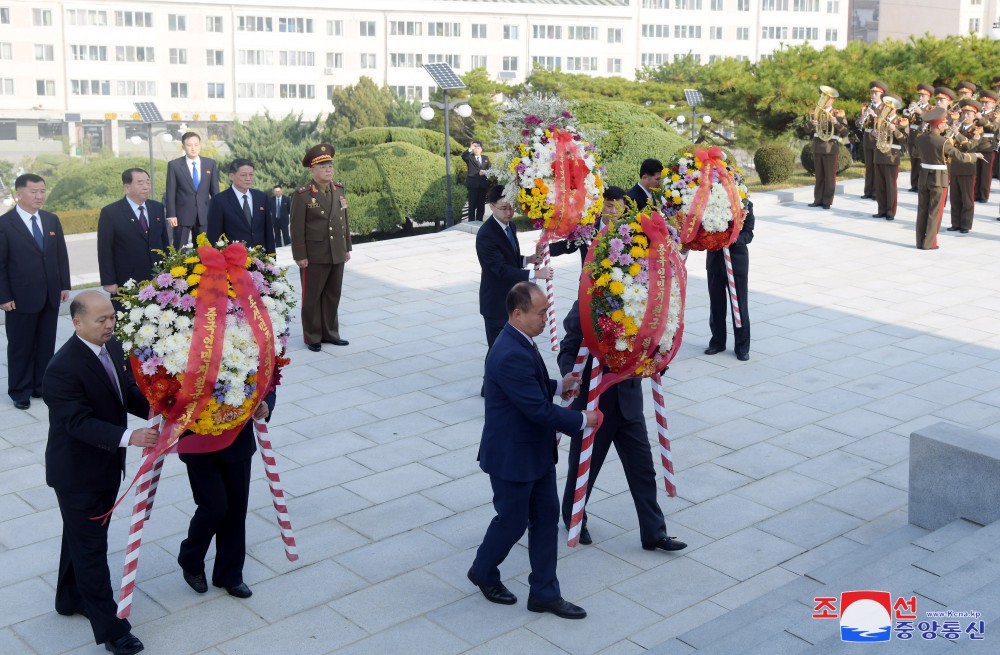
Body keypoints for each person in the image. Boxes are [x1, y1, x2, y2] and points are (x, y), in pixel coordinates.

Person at [469, 282, 597, 620]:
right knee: (511, 523)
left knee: (544, 520)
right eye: (540, 313)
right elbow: (538, 411)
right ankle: (483, 570)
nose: (546, 318)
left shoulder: (520, 340)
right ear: (517, 314)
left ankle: (544, 592)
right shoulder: (509, 352)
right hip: (512, 458)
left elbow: (531, 385)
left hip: (536, 453)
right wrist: (583, 418)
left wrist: (559, 384)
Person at [43, 291, 158, 655]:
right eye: (101, 320)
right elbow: (78, 423)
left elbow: (124, 392)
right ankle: (112, 631)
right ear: (77, 323)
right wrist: (130, 437)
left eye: (112, 317)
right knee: (92, 548)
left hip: (106, 467)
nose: (110, 324)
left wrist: (161, 410)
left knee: (79, 537)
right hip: (78, 475)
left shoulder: (112, 347)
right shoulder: (62, 368)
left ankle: (68, 598)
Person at [558, 299, 686, 552]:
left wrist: (658, 360)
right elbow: (569, 348)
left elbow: (651, 347)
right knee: (584, 468)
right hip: (594, 405)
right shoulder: (590, 302)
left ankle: (654, 533)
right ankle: (574, 518)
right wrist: (571, 376)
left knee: (643, 470)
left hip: (629, 405)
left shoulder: (644, 306)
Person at [178, 390, 275, 600]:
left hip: (237, 437)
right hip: (198, 438)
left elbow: (268, 374)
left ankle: (229, 574)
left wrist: (266, 402)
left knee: (236, 509)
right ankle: (191, 560)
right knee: (214, 506)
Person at [0, 173, 71, 410]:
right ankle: (19, 390)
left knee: (45, 343)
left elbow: (60, 255)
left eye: (42, 191)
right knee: (21, 345)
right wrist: (4, 296)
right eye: (34, 191)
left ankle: (40, 385)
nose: (40, 196)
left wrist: (64, 284)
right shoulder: (5, 223)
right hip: (19, 297)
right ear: (19, 194)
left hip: (50, 293)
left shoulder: (51, 220)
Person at [476, 185, 552, 395]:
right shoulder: (486, 235)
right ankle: (490, 388)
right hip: (495, 302)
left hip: (510, 300)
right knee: (496, 348)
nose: (509, 213)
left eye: (511, 208)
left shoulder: (510, 226)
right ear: (491, 207)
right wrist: (535, 275)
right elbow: (500, 269)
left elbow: (509, 257)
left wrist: (528, 259)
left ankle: (492, 386)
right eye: (503, 208)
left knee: (504, 346)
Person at [290, 144, 351, 352]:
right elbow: (296, 228)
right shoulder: (303, 195)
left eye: (330, 165)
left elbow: (344, 220)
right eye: (323, 166)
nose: (328, 169)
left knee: (333, 294)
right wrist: (300, 254)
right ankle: (313, 336)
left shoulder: (339, 189)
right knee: (312, 297)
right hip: (314, 255)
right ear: (312, 170)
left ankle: (331, 333)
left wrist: (347, 247)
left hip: (336, 251)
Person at [914, 107, 983, 250]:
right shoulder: (944, 142)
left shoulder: (920, 139)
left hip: (923, 177)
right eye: (944, 123)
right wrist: (975, 156)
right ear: (938, 125)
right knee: (935, 212)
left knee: (922, 211)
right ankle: (929, 243)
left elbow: (915, 154)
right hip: (938, 179)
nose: (946, 125)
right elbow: (961, 156)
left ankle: (920, 241)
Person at [97, 168, 170, 298]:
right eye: (140, 183)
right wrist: (109, 281)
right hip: (127, 279)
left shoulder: (157, 208)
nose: (146, 187)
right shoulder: (111, 212)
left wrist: (168, 269)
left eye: (148, 182)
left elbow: (164, 241)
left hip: (157, 276)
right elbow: (105, 249)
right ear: (127, 187)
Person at [704, 200, 755, 361]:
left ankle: (742, 346)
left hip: (736, 261)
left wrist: (733, 239)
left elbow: (749, 233)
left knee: (739, 304)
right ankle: (718, 341)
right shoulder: (709, 203)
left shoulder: (744, 203)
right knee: (716, 302)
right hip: (715, 260)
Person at [206, 158, 275, 255]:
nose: (248, 178)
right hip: (233, 260)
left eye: (251, 174)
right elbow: (214, 236)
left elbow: (268, 232)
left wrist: (272, 258)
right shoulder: (219, 200)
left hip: (260, 259)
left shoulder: (261, 197)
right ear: (232, 176)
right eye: (243, 175)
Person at [165, 132, 220, 249]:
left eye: (196, 144)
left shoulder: (210, 164)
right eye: (189, 145)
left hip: (204, 214)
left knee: (204, 249)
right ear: (183, 147)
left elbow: (215, 192)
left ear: (200, 145)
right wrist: (171, 215)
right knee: (179, 248)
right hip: (182, 214)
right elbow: (170, 191)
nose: (193, 148)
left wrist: (218, 213)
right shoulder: (174, 165)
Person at [549, 186, 627, 263]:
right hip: (587, 275)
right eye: (609, 206)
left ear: (623, 208)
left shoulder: (629, 231)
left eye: (618, 207)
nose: (613, 211)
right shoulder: (587, 227)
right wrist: (544, 250)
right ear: (601, 204)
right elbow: (567, 246)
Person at [947, 100, 988, 234]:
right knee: (954, 197)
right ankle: (955, 222)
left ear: (974, 115)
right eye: (963, 113)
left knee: (967, 198)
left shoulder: (977, 130)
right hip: (954, 166)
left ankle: (965, 224)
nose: (965, 116)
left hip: (967, 167)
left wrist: (957, 134)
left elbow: (970, 145)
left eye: (969, 114)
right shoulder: (956, 127)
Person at [807, 94, 849, 210]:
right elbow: (805, 128)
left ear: (832, 99)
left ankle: (827, 201)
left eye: (827, 98)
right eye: (823, 97)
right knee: (819, 176)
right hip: (818, 146)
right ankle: (817, 199)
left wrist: (836, 123)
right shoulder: (815, 112)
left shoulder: (838, 113)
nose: (824, 100)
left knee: (830, 176)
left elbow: (845, 132)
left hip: (830, 146)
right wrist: (811, 124)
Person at [872, 95, 907, 221]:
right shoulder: (879, 119)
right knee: (880, 184)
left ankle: (890, 211)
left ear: (895, 108)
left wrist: (895, 130)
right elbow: (872, 138)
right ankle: (881, 210)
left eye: (890, 106)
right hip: (879, 154)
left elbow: (905, 140)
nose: (887, 108)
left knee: (890, 185)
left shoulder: (902, 121)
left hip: (892, 156)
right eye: (886, 105)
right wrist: (873, 133)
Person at [858, 80, 888, 200]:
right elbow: (857, 122)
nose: (873, 95)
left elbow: (886, 122)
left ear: (881, 94)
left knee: (877, 166)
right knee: (869, 166)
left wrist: (875, 115)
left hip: (878, 138)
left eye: (876, 93)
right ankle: (868, 191)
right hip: (867, 138)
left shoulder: (885, 107)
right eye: (872, 93)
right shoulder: (865, 106)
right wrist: (860, 119)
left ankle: (877, 192)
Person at [905, 84, 934, 193]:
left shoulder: (930, 108)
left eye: (923, 96)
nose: (920, 98)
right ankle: (914, 184)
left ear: (928, 97)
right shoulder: (914, 107)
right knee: (913, 160)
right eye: (919, 96)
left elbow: (930, 119)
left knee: (921, 160)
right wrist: (910, 111)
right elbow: (907, 119)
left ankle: (921, 183)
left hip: (922, 135)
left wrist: (920, 112)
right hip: (912, 135)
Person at [974, 91, 998, 203]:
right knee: (976, 171)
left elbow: (993, 128)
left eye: (987, 102)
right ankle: (975, 193)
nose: (984, 104)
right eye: (982, 102)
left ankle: (983, 195)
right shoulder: (978, 113)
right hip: (976, 145)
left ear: (993, 104)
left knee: (985, 173)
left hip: (988, 145)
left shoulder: (996, 115)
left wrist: (981, 119)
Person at [462, 141, 491, 222]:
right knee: (472, 205)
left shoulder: (485, 158)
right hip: (473, 185)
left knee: (481, 206)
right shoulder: (470, 158)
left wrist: (485, 172)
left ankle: (479, 222)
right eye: (475, 148)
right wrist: (470, 148)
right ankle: (471, 222)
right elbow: (463, 156)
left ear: (481, 149)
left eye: (478, 148)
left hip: (482, 185)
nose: (476, 150)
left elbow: (490, 169)